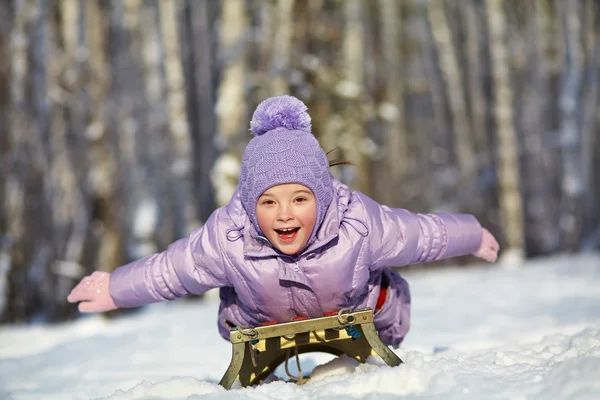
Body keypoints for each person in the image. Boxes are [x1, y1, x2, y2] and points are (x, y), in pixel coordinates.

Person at [67, 95, 499, 348]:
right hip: (264, 323)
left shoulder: (357, 223)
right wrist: (115, 289)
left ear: (322, 196)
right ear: (250, 205)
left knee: (388, 293)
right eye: (269, 202)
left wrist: (473, 234)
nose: (285, 213)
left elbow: (422, 234)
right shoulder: (228, 237)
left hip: (353, 312)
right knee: (230, 302)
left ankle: (381, 338)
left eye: (299, 199)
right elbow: (172, 270)